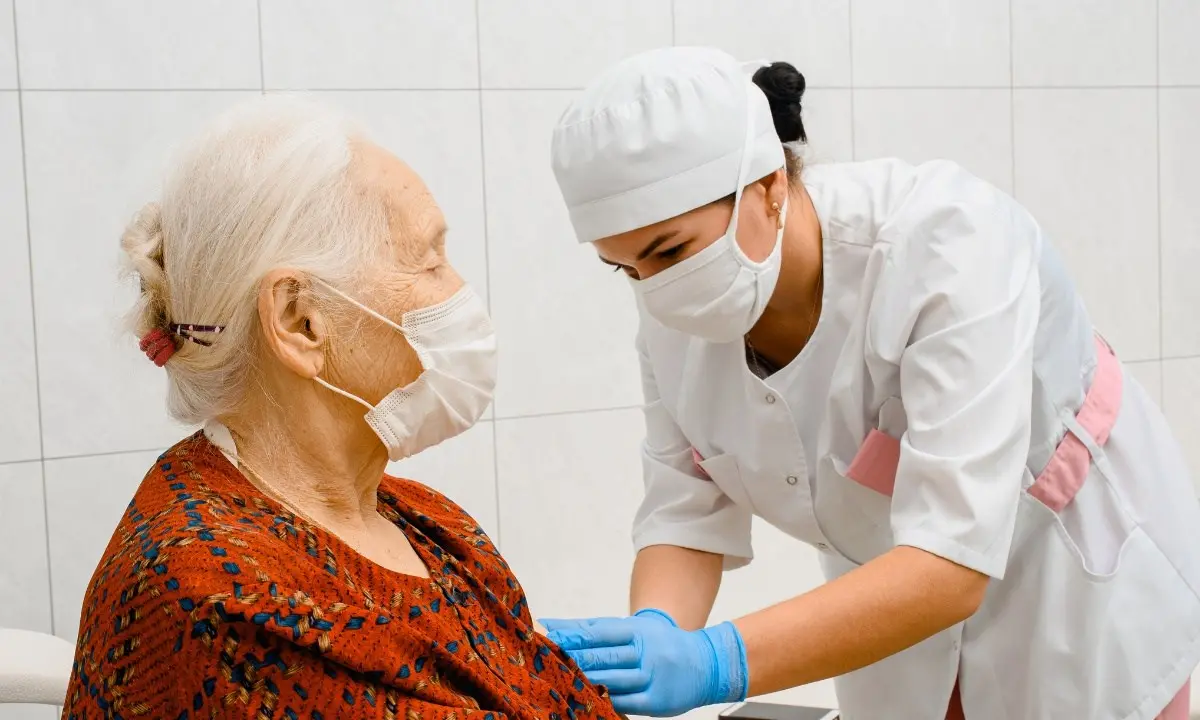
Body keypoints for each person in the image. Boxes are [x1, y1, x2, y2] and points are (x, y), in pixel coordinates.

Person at [540, 46, 1200, 720]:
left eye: (671, 251)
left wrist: (718, 662)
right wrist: (653, 635)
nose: (657, 291)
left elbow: (948, 560)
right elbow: (685, 510)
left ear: (769, 186)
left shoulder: (948, 245)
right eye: (626, 269)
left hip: (1064, 578)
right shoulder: (676, 314)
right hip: (885, 591)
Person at [61, 96, 617, 720]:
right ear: (300, 321)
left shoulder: (424, 523)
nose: (460, 293)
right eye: (429, 261)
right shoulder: (229, 606)